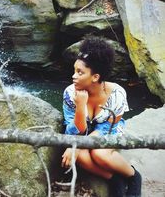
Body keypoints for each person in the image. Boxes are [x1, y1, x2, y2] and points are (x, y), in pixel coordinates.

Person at [61, 36, 142, 197]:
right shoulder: (70, 93)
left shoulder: (117, 94)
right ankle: (115, 180)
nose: (74, 76)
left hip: (108, 130)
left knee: (100, 153)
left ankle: (133, 177)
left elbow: (108, 126)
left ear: (95, 77)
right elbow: (74, 130)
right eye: (74, 71)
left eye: (80, 72)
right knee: (82, 156)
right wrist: (80, 106)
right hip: (81, 133)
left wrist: (78, 145)